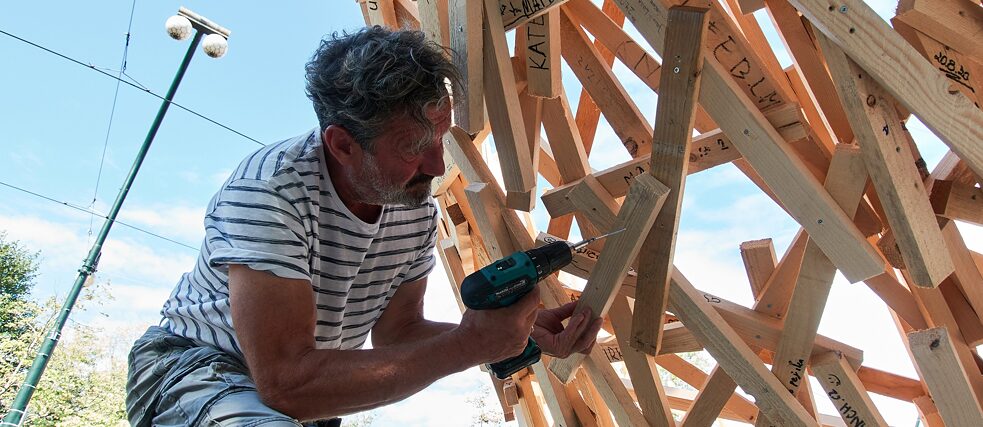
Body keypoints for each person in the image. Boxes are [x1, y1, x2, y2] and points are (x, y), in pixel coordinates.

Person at [125, 26, 602, 426]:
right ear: (342, 145)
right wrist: (471, 344)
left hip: (305, 396)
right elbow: (285, 383)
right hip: (196, 369)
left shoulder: (413, 207)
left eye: (439, 137)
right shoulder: (271, 192)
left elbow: (401, 333)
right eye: (413, 146)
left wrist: (513, 335)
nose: (437, 165)